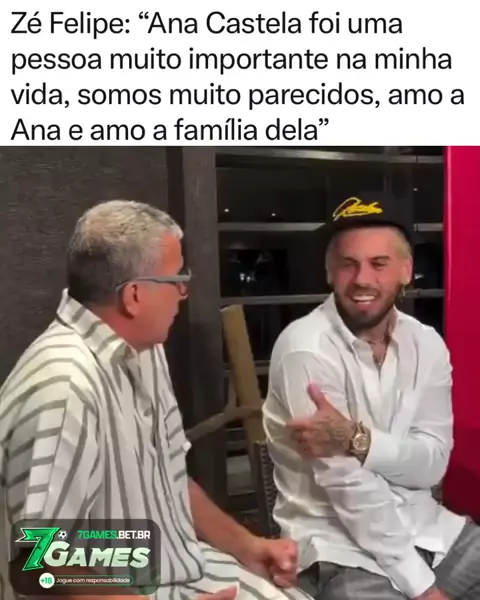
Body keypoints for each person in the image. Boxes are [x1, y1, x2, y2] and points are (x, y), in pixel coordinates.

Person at [0, 200, 313, 600]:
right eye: (177, 279)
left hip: (177, 569)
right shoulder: (64, 387)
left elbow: (170, 475)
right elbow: (37, 563)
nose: (184, 292)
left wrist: (247, 546)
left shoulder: (144, 347)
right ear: (134, 295)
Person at [263, 193, 480, 600]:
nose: (362, 279)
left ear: (406, 270)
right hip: (341, 549)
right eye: (348, 264)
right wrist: (423, 588)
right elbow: (349, 488)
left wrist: (356, 439)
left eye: (379, 264)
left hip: (430, 530)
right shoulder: (305, 348)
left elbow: (432, 466)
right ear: (329, 272)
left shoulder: (426, 344)